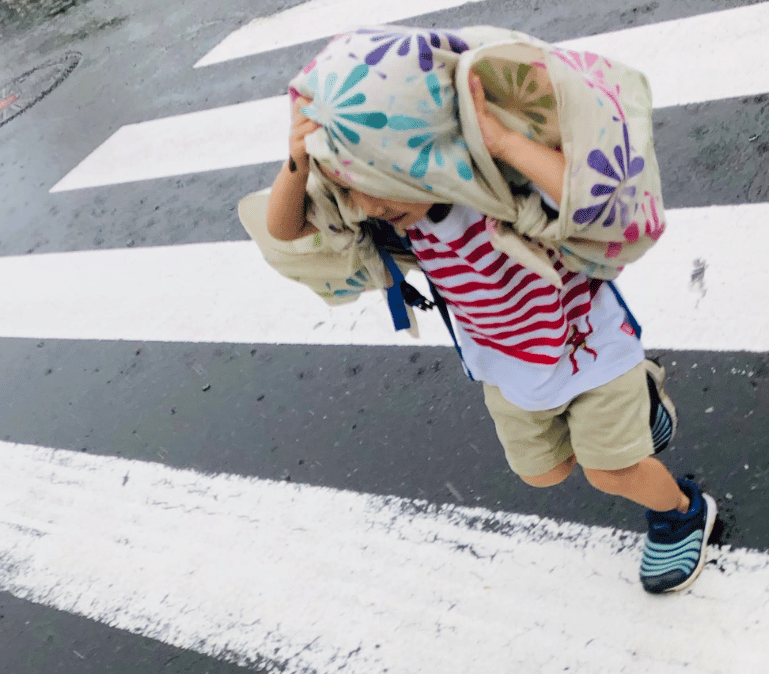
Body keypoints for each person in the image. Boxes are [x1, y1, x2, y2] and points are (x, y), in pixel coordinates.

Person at [266, 56, 717, 595]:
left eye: (374, 182)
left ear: (423, 160)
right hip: (506, 364)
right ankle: (640, 409)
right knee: (543, 473)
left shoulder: (502, 189)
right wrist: (297, 163)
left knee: (609, 471)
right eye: (350, 185)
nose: (363, 203)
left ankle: (683, 511)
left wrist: (502, 142)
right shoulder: (392, 214)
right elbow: (286, 229)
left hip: (591, 347)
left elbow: (597, 199)